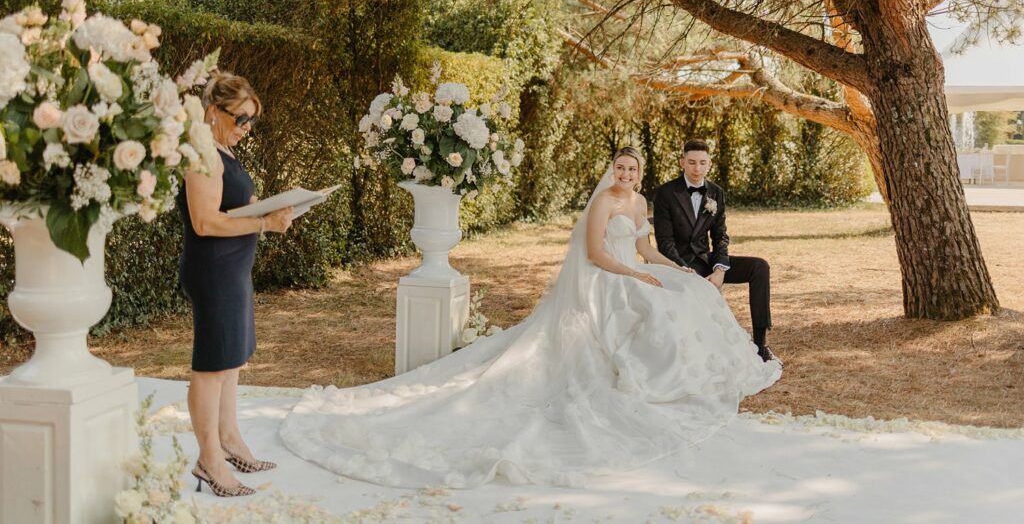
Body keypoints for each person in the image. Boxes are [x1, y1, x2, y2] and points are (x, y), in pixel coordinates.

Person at [280, 147, 780, 488]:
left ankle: (685, 374)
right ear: (611, 169)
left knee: (684, 293)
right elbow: (597, 254)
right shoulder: (603, 203)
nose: (625, 175)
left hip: (634, 269)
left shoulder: (639, 201)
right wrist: (634, 274)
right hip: (607, 277)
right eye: (620, 168)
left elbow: (646, 248)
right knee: (648, 306)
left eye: (632, 169)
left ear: (639, 173)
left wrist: (671, 269)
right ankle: (651, 377)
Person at [178, 70, 293, 497]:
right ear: (213, 111)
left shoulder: (223, 149)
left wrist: (270, 208)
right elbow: (205, 222)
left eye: (252, 120)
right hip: (213, 271)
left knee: (231, 361)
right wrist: (264, 222)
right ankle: (209, 460)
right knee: (211, 367)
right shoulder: (202, 154)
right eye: (241, 118)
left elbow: (231, 206)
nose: (247, 128)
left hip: (232, 269)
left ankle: (230, 441)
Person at [653, 139, 779, 364]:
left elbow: (720, 236)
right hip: (680, 266)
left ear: (709, 164)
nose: (697, 168)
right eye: (692, 162)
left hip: (707, 261)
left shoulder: (716, 192)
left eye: (702, 163)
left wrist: (720, 269)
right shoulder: (666, 193)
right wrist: (685, 271)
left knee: (759, 267)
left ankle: (761, 345)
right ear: (682, 162)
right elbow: (665, 243)